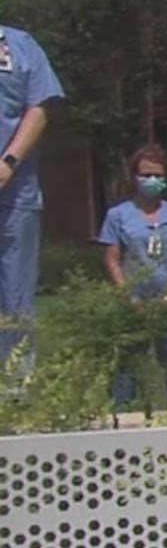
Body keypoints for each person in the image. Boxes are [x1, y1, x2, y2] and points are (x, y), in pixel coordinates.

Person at [97, 144, 167, 408]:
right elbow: (112, 259)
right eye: (146, 175)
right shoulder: (118, 216)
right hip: (133, 302)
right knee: (127, 365)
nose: (152, 181)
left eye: (158, 175)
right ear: (134, 177)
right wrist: (129, 297)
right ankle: (123, 412)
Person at [0, 22, 66, 392]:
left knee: (15, 296)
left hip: (15, 194)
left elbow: (38, 108)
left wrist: (9, 162)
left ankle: (14, 389)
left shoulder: (22, 45)